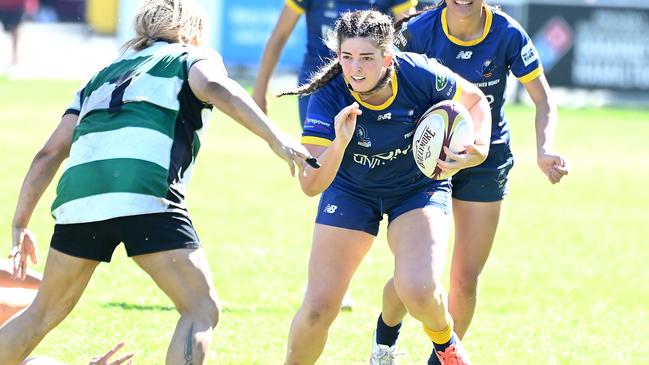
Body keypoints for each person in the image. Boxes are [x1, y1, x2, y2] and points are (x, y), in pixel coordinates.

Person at [0, 0, 315, 364]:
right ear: (192, 29)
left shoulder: (102, 74)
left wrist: (20, 223)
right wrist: (275, 136)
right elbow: (214, 86)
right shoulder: (190, 56)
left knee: (42, 313)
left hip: (80, 197)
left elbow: (50, 152)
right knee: (201, 309)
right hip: (144, 191)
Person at [278, 9, 492, 365]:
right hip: (350, 191)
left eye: (366, 58)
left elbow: (475, 101)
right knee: (318, 309)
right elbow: (311, 184)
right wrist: (340, 142)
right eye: (346, 57)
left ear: (388, 58)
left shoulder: (419, 73)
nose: (355, 68)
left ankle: (447, 346)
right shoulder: (329, 95)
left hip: (416, 188)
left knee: (419, 290)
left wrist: (479, 149)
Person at [372, 1, 570, 364]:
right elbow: (389, 91)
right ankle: (384, 340)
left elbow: (543, 99)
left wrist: (545, 149)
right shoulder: (419, 32)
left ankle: (442, 361)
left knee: (464, 278)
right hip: (427, 161)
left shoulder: (507, 33)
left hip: (487, 160)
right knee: (415, 278)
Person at [252, 0, 417, 126]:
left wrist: (414, 90)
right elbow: (278, 37)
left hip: (369, 84)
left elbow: (407, 39)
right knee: (316, 159)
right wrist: (259, 92)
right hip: (317, 82)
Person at [0, 0, 38, 72]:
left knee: (14, 31)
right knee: (9, 31)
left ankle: (15, 59)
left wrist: (32, 5)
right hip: (3, 6)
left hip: (17, 6)